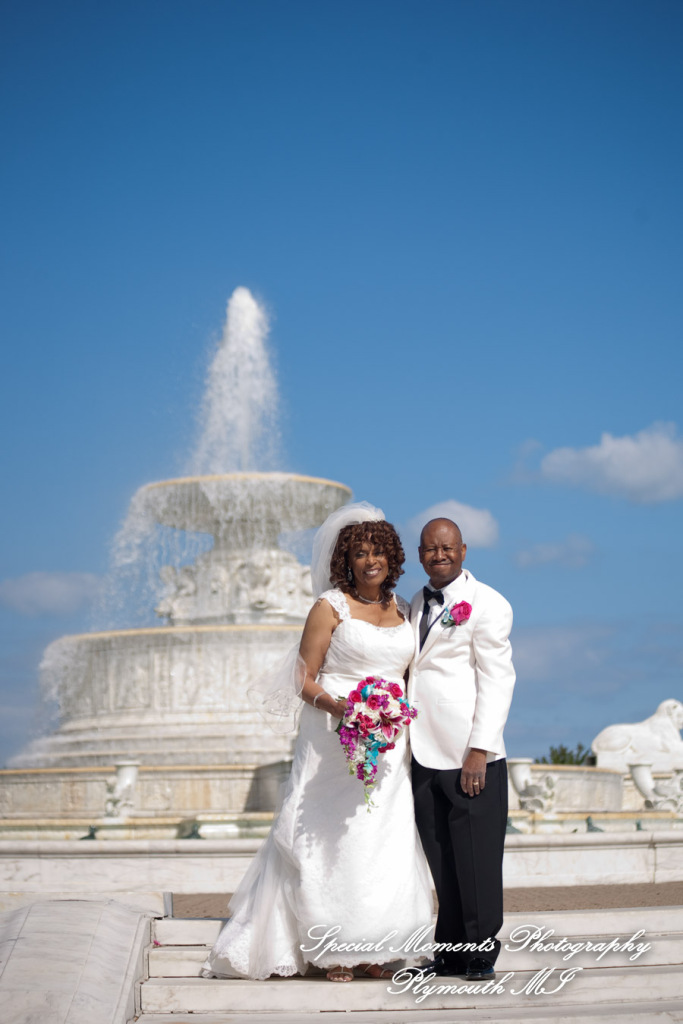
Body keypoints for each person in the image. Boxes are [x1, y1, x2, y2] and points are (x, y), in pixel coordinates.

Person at [201, 503, 432, 983]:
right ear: (346, 560)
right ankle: (334, 950)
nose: (370, 561)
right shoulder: (330, 607)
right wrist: (342, 710)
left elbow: (407, 676)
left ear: (392, 558)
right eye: (360, 553)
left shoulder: (404, 610)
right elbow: (301, 678)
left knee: (380, 839)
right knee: (331, 837)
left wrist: (389, 717)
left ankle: (375, 947)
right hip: (333, 740)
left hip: (389, 742)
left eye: (378, 553)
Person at [408, 517, 515, 980]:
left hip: (471, 756)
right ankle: (449, 952)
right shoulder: (414, 603)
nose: (440, 555)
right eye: (431, 549)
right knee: (442, 859)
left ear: (464, 550)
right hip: (421, 752)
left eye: (447, 547)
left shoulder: (488, 603)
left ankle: (480, 955)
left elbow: (498, 678)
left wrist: (480, 749)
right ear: (420, 555)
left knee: (477, 860)